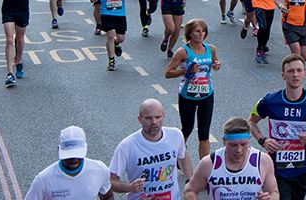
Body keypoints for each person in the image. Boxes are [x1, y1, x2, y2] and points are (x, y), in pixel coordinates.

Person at [249, 54, 306, 200]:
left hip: (303, 168)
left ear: (304, 74)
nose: (295, 75)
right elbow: (250, 122)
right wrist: (263, 140)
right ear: (283, 75)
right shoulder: (270, 101)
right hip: (277, 169)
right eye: (290, 71)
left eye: (299, 70)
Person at [109, 99, 192, 200]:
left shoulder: (175, 135)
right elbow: (111, 181)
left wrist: (189, 182)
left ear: (164, 115)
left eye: (158, 117)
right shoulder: (127, 146)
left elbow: (183, 157)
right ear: (140, 119)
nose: (154, 122)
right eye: (148, 118)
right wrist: (129, 187)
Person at [164, 19, 221, 159]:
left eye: (203, 31)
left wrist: (217, 65)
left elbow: (215, 64)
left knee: (204, 133)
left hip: (206, 94)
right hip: (187, 96)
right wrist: (186, 71)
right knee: (187, 129)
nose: (201, 34)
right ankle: (178, 156)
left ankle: (204, 167)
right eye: (197, 31)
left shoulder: (210, 49)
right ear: (190, 33)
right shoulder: (183, 52)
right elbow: (168, 73)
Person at [183, 117, 279, 200]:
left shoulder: (263, 160)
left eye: (243, 144)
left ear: (250, 140)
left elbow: (274, 193)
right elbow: (190, 190)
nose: (239, 150)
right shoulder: (209, 163)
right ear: (224, 141)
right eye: (233, 145)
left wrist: (270, 198)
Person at [24, 126, 112, 200]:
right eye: (69, 156)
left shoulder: (100, 170)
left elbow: (108, 197)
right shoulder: (43, 180)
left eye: (78, 154)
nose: (74, 160)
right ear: (59, 150)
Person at [91, 0, 136, 71]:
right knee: (110, 35)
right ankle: (111, 60)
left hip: (120, 12)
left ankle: (117, 44)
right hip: (106, 11)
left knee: (121, 38)